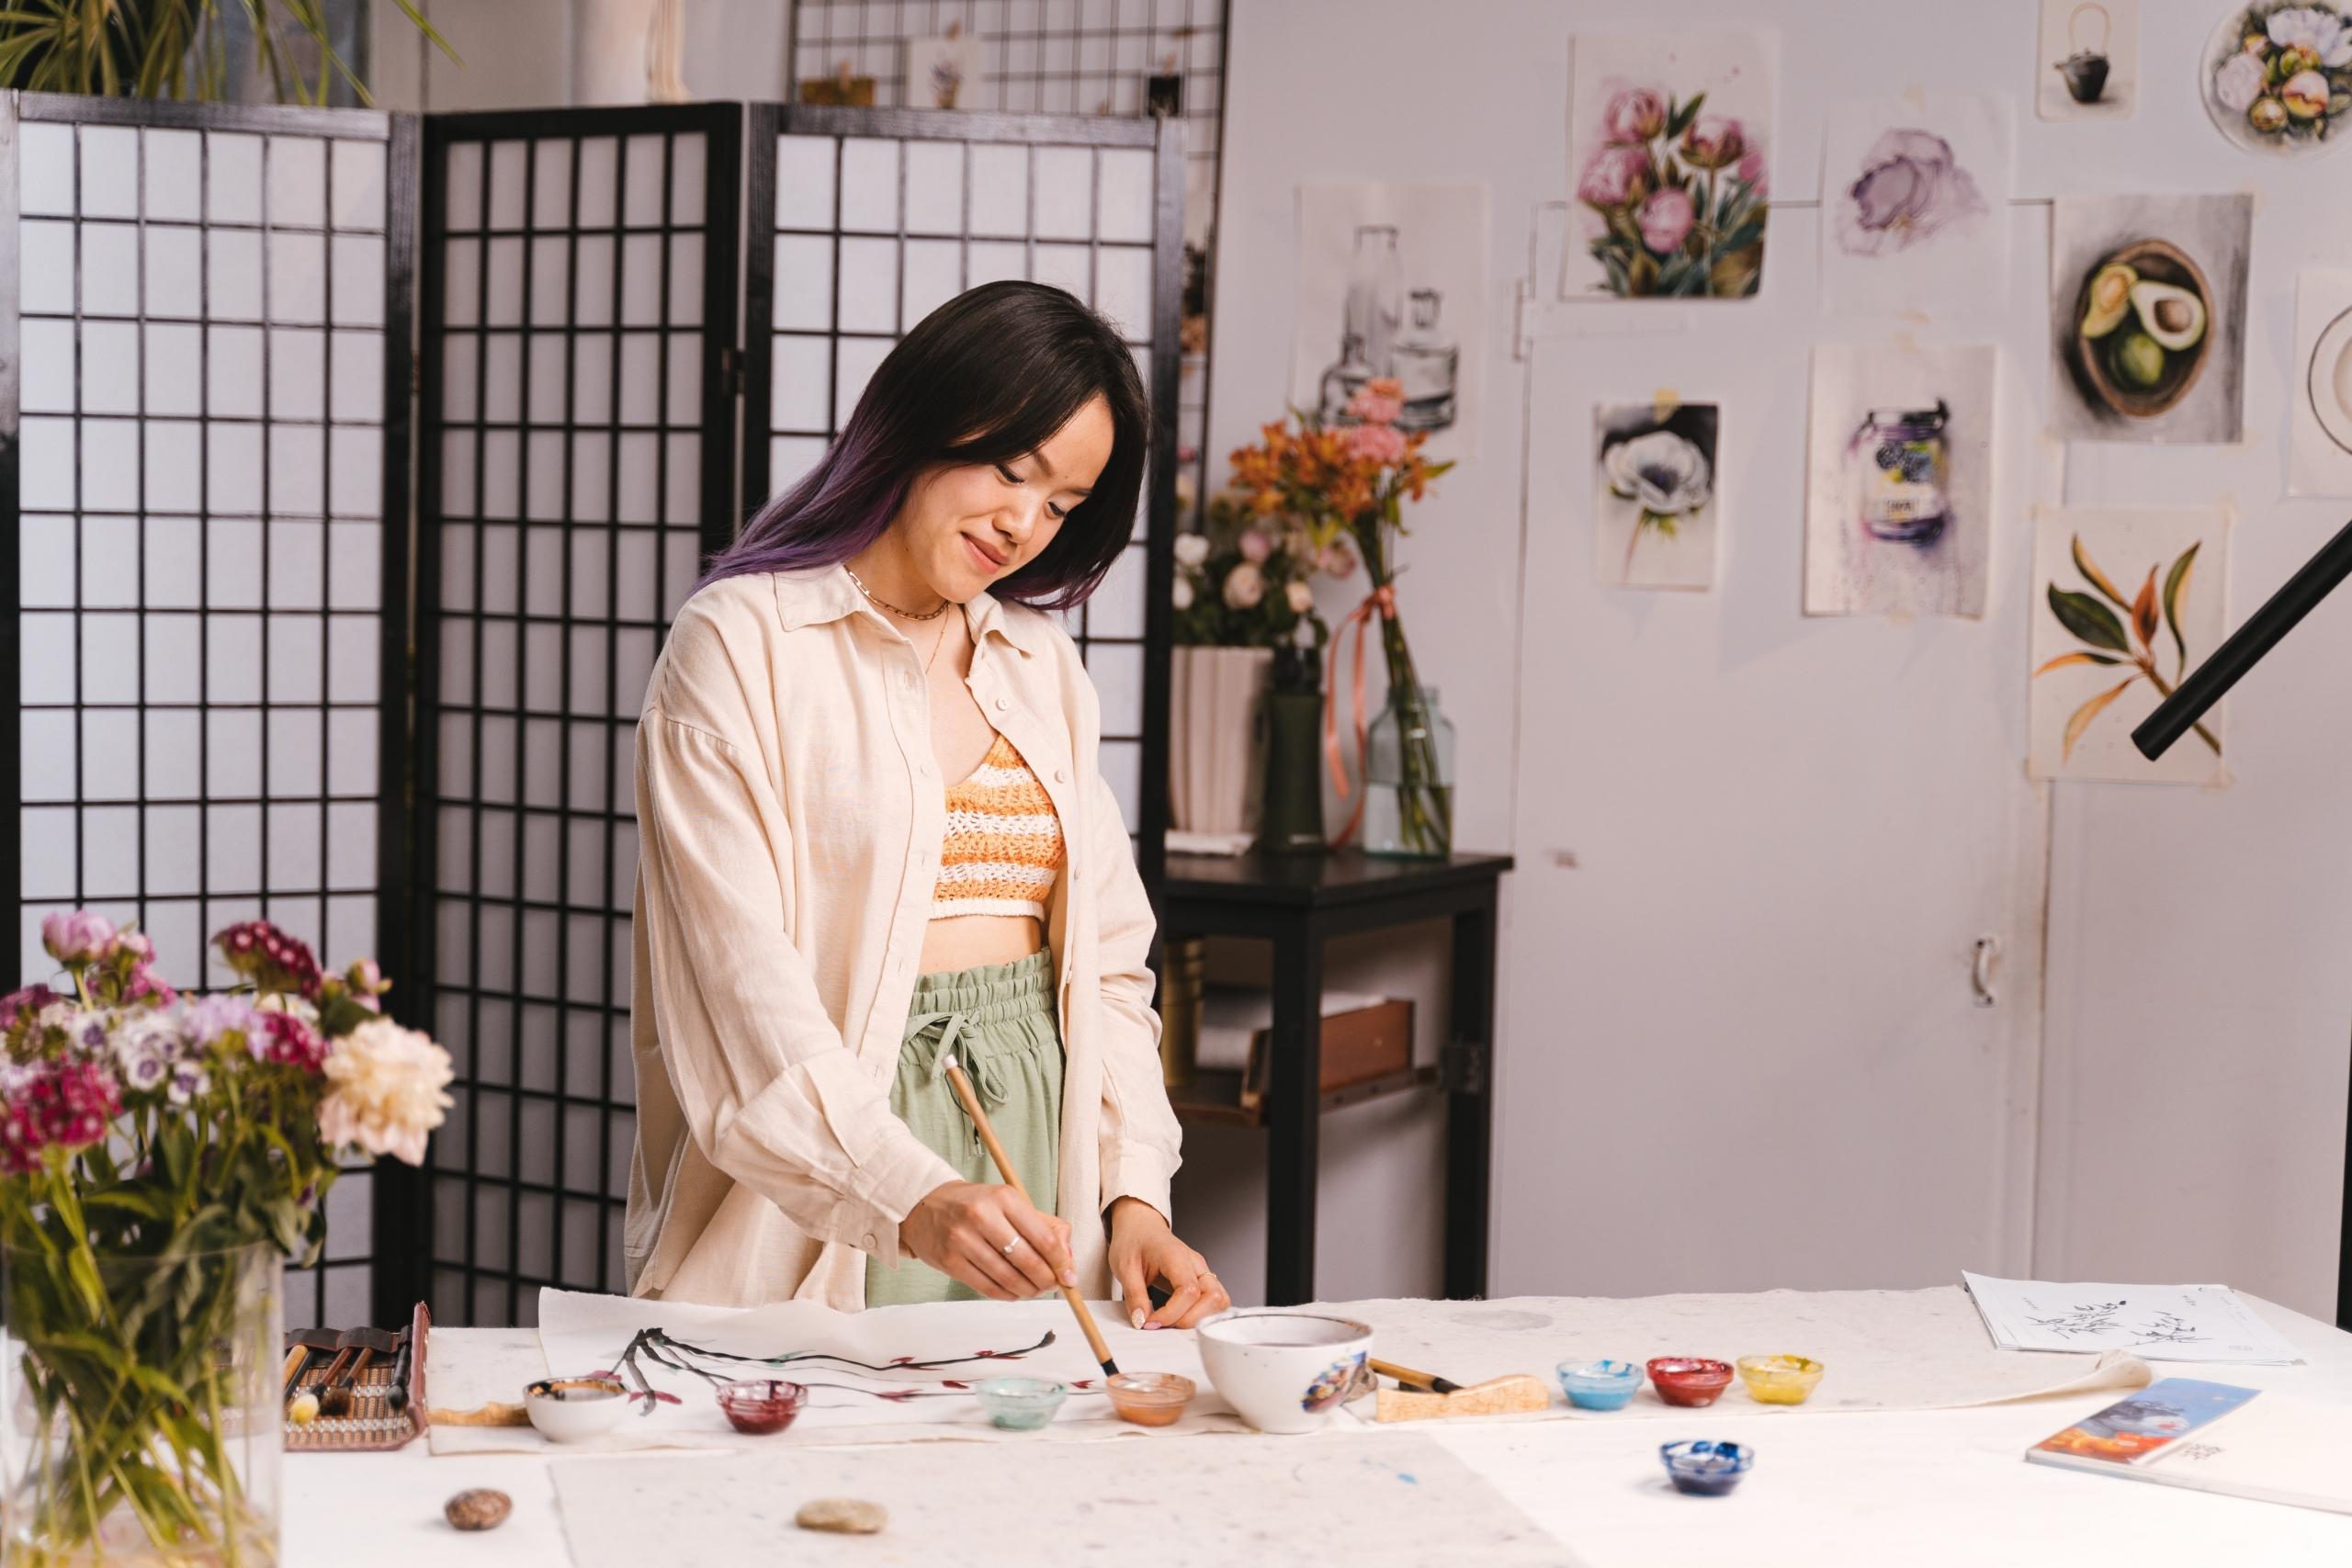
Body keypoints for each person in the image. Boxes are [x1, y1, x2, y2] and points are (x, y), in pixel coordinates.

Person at [625, 280, 1228, 1329]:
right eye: (1010, 471)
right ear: (919, 419)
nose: (1023, 525)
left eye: (1061, 506)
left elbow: (1109, 967)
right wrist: (913, 1196)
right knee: (830, 1484)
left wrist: (1132, 1198)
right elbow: (742, 990)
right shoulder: (741, 645)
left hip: (1036, 1155)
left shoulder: (1039, 663)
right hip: (839, 1156)